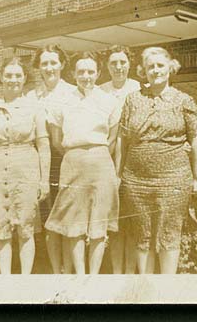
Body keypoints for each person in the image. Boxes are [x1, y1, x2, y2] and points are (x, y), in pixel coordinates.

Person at [118, 46, 197, 274]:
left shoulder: (184, 100)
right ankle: (146, 285)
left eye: (160, 65)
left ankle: (166, 289)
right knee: (141, 232)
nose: (155, 70)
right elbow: (122, 140)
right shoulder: (132, 100)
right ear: (143, 71)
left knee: (169, 232)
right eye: (150, 67)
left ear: (170, 68)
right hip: (135, 181)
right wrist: (119, 174)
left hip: (173, 180)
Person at [44, 51, 121, 275]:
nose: (86, 76)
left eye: (90, 71)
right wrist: (77, 153)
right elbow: (57, 140)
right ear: (73, 74)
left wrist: (94, 153)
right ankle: (79, 275)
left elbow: (113, 138)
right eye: (81, 72)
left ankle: (93, 277)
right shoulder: (62, 101)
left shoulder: (109, 100)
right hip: (73, 163)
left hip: (101, 163)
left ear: (98, 73)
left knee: (99, 223)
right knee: (73, 223)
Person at [0, 57, 51, 274]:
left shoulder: (35, 107)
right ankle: (6, 280)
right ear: (0, 77)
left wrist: (44, 180)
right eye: (8, 75)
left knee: (26, 228)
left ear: (25, 78)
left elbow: (43, 144)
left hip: (26, 170)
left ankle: (25, 281)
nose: (13, 80)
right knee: (2, 228)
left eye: (18, 75)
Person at [26, 44, 76, 274]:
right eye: (44, 63)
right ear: (39, 67)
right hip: (39, 163)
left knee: (66, 219)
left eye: (53, 62)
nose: (49, 67)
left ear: (62, 64)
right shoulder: (31, 96)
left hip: (65, 161)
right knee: (47, 220)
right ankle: (56, 272)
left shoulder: (73, 93)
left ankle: (70, 271)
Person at [99, 45, 141, 274]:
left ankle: (130, 272)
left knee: (132, 220)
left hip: (135, 160)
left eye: (122, 62)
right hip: (106, 158)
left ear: (129, 64)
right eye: (113, 62)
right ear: (107, 66)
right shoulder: (99, 91)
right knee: (114, 222)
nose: (118, 67)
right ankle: (116, 273)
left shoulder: (139, 88)